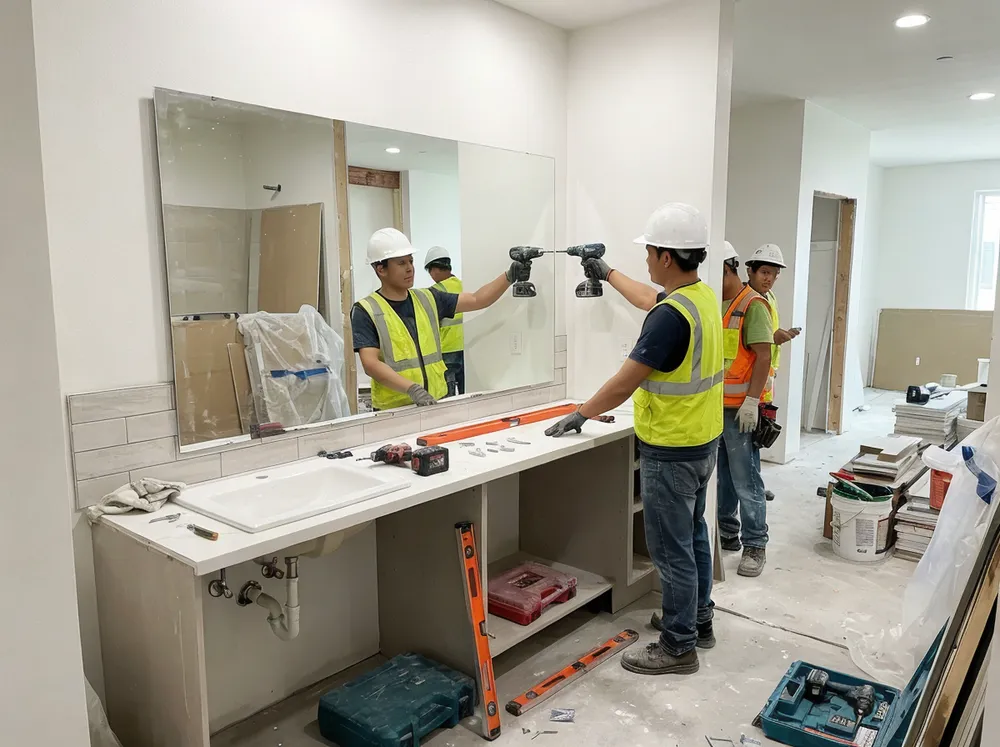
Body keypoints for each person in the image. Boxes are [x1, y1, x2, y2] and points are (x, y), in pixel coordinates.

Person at [545, 203, 723, 676]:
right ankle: (698, 622)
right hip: (702, 441)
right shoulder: (700, 297)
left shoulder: (670, 317)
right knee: (694, 538)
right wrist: (606, 273)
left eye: (649, 251)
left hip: (671, 447)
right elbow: (650, 297)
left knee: (672, 550)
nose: (646, 258)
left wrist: (581, 413)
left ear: (666, 256)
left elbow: (626, 382)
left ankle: (677, 646)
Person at [352, 228, 525, 411]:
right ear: (381, 269)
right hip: (395, 410)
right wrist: (411, 389)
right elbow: (370, 364)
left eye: (411, 261)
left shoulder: (429, 298)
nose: (410, 268)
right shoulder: (366, 310)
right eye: (401, 263)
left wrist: (509, 276)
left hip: (435, 402)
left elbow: (477, 299)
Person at [716, 242, 772, 577]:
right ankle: (727, 532)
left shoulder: (753, 305)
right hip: (719, 408)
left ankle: (755, 544)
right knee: (723, 475)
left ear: (728, 269)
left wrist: (752, 402)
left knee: (746, 478)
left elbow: (763, 356)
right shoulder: (726, 304)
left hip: (741, 410)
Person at [745, 243, 799, 502]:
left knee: (759, 437)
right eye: (764, 272)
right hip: (749, 380)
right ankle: (752, 485)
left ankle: (756, 482)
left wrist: (780, 336)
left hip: (767, 376)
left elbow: (768, 336)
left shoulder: (770, 298)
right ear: (751, 271)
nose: (769, 278)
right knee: (747, 442)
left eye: (774, 274)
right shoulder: (746, 299)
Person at [423, 246, 465, 397]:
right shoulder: (464, 285)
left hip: (446, 349)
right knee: (466, 392)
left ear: (434, 269)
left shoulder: (435, 291)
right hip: (466, 347)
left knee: (447, 396)